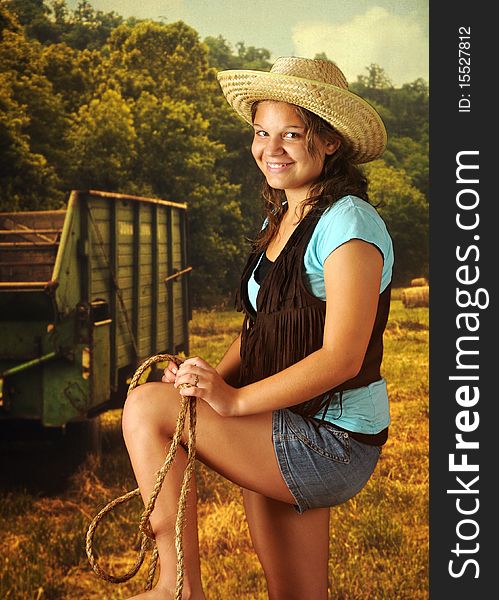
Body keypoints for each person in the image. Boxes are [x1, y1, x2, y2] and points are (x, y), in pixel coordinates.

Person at [122, 56, 394, 600]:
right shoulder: (282, 221)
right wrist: (203, 380)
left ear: (329, 141)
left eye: (291, 134)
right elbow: (260, 328)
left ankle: (177, 588)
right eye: (261, 133)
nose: (271, 149)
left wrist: (233, 400)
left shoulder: (349, 222)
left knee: (146, 408)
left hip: (331, 440)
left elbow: (342, 355)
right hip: (284, 422)